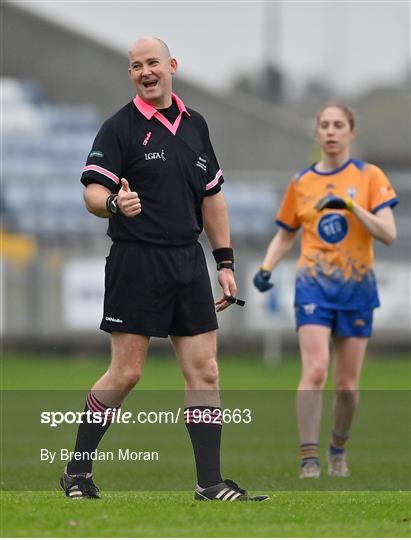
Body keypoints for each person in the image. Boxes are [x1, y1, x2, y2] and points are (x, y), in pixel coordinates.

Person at [60, 36, 268, 502]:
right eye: (135, 66)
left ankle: (209, 483)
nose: (144, 71)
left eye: (152, 62)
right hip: (137, 260)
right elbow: (92, 193)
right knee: (127, 373)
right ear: (131, 75)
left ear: (171, 65)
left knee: (206, 372)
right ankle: (77, 472)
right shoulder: (119, 128)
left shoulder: (197, 125)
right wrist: (114, 202)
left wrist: (225, 262)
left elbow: (212, 197)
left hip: (188, 262)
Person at [253, 104, 398, 479]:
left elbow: (388, 233)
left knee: (347, 386)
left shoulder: (369, 177)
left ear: (351, 132)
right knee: (315, 370)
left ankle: (338, 450)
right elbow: (286, 233)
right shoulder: (301, 182)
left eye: (339, 125)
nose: (331, 132)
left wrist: (350, 206)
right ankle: (308, 460)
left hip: (357, 289)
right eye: (325, 126)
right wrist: (267, 266)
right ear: (316, 134)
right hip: (312, 286)